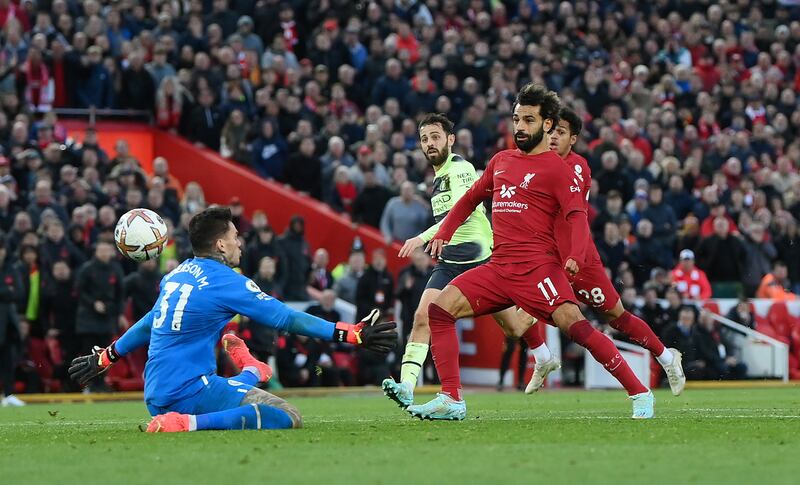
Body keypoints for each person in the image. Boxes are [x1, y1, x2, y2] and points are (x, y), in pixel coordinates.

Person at [409, 85, 653, 420]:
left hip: (538, 271)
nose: (519, 127)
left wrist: (576, 257)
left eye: (528, 119)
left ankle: (640, 393)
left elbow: (577, 217)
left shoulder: (557, 169)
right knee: (439, 311)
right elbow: (470, 199)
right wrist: (446, 232)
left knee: (577, 328)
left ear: (548, 124)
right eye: (516, 119)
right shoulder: (501, 161)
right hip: (498, 269)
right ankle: (452, 399)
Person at [68, 207, 397, 432]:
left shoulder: (177, 274)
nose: (240, 242)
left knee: (234, 385)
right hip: (189, 393)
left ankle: (254, 370)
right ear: (221, 244)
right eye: (235, 236)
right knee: (286, 416)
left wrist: (107, 355)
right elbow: (284, 317)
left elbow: (150, 320)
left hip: (156, 392)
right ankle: (187, 424)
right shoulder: (227, 282)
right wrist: (349, 334)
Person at [382, 113, 554, 410]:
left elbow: (460, 210)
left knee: (513, 328)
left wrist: (421, 238)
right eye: (425, 139)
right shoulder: (438, 175)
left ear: (450, 139)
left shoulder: (460, 169)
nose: (430, 144)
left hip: (479, 258)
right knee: (423, 316)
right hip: (450, 261)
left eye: (436, 137)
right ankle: (407, 386)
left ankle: (543, 349)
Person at [547, 107, 685, 396]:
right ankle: (541, 357)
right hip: (548, 256)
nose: (551, 137)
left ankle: (667, 358)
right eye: (549, 131)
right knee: (519, 304)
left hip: (578, 257)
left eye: (559, 132)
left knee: (616, 317)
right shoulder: (537, 161)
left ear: (572, 139)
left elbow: (574, 214)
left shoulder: (576, 167)